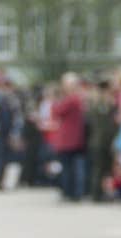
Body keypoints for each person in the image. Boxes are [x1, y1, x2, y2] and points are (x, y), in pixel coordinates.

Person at [52, 74, 87, 202]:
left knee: (68, 168)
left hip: (69, 140)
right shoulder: (78, 98)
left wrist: (56, 100)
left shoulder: (72, 99)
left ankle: (69, 192)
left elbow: (56, 111)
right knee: (73, 168)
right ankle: (72, 192)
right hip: (75, 139)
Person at [86, 81, 118, 202]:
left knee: (106, 169)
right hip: (99, 142)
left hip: (106, 141)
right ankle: (96, 194)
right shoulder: (98, 105)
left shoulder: (106, 104)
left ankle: (103, 192)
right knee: (99, 169)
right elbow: (103, 125)